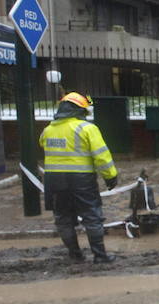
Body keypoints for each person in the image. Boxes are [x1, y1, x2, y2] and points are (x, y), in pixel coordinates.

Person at [39, 92, 119, 263]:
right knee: (92, 217)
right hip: (81, 181)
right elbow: (101, 156)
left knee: (63, 218)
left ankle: (75, 255)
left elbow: (42, 144)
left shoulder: (48, 130)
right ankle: (100, 256)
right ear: (79, 111)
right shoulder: (87, 129)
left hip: (54, 182)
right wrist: (110, 177)